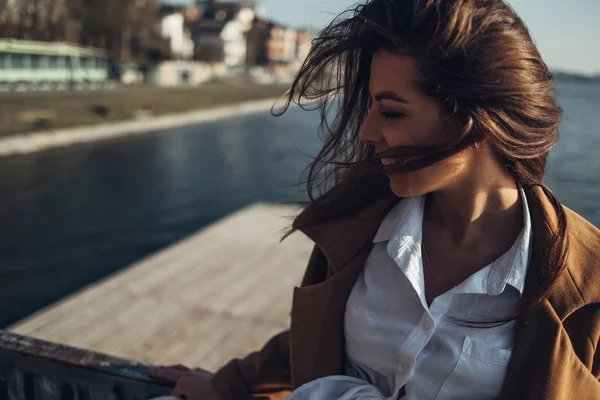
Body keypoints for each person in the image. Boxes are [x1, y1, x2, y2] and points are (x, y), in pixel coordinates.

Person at [150, 0, 600, 399]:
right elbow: (318, 336)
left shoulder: (590, 283)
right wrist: (227, 385)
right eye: (369, 107)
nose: (366, 132)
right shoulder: (357, 225)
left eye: (390, 111)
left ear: (478, 119)